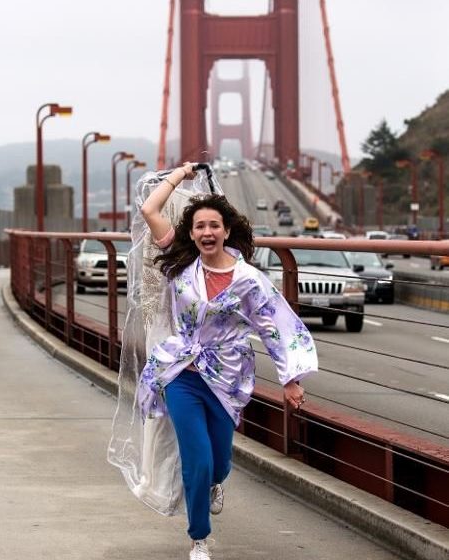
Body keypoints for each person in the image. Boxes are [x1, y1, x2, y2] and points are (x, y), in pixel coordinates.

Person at [137, 162, 318, 560]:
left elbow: (275, 326)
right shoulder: (181, 262)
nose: (207, 232)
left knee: (218, 462)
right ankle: (199, 539)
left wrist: (290, 379)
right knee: (197, 460)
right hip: (181, 373)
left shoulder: (249, 279)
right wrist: (180, 174)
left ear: (227, 231)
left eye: (214, 226)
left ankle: (216, 482)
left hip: (226, 377)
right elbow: (150, 209)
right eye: (199, 226)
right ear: (191, 233)